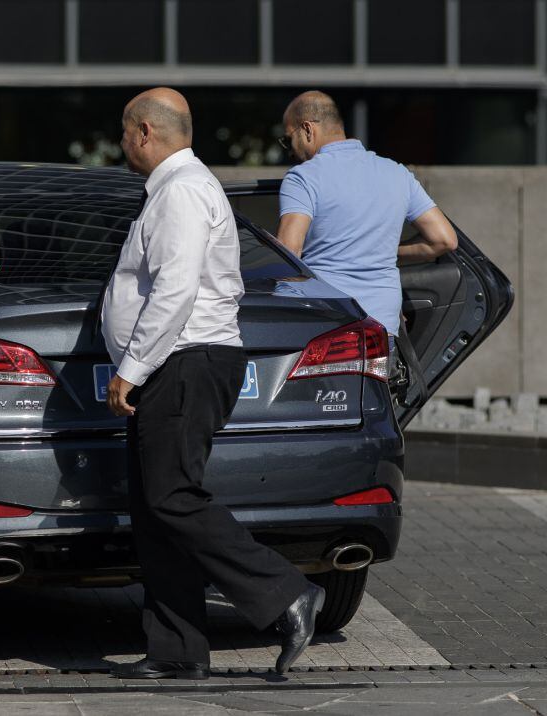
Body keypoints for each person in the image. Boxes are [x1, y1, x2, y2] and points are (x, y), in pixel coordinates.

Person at [102, 87, 325, 680]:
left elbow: (174, 289)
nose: (122, 144)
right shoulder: (179, 189)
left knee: (171, 497)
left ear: (145, 132)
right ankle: (177, 652)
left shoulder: (180, 191)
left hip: (185, 359)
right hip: (179, 360)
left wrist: (132, 366)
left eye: (125, 133)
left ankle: (287, 593)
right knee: (157, 508)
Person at [276, 90, 458, 346]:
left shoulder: (303, 178)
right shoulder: (396, 173)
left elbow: (288, 253)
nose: (290, 151)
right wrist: (384, 250)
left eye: (287, 139)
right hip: (382, 330)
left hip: (327, 329)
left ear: (307, 130)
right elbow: (445, 241)